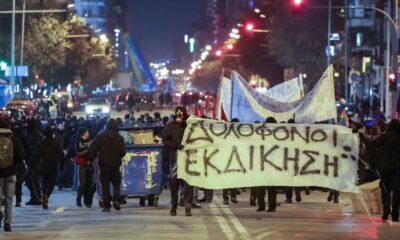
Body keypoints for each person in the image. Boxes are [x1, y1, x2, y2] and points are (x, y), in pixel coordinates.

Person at [359, 119, 400, 221]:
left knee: (385, 190)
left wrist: (360, 136)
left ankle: (386, 211)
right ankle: (395, 214)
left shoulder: (385, 136)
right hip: (398, 168)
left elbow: (370, 144)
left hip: (385, 168)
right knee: (397, 191)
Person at [89, 119, 126, 212]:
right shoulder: (120, 138)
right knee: (116, 184)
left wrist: (91, 158)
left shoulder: (100, 137)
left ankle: (107, 206)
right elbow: (123, 153)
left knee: (105, 186)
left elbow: (93, 149)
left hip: (104, 165)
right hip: (116, 166)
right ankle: (116, 200)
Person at [162, 106, 193, 216]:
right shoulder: (170, 126)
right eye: (178, 112)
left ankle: (188, 206)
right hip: (175, 158)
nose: (179, 114)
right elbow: (165, 140)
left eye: (182, 112)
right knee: (174, 183)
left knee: (189, 182)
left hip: (188, 158)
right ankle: (174, 205)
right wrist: (176, 146)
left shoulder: (189, 126)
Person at [0, 117, 25, 232]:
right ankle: (7, 224)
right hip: (10, 173)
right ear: (9, 127)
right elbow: (20, 157)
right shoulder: (15, 139)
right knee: (9, 198)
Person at [32, 126, 65, 209]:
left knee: (44, 181)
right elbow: (61, 155)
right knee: (52, 182)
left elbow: (36, 155)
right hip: (53, 165)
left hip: (43, 165)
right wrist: (61, 165)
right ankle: (46, 195)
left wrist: (33, 164)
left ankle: (44, 194)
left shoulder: (41, 143)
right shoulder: (56, 143)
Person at [256, 117, 278, 212]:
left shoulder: (276, 135)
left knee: (264, 187)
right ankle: (269, 206)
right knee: (270, 188)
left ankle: (263, 205)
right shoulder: (277, 134)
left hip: (268, 165)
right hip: (268, 165)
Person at [75, 127, 94, 208]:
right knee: (83, 183)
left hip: (89, 164)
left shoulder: (90, 140)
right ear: (84, 133)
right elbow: (78, 151)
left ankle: (87, 201)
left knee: (90, 184)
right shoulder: (78, 141)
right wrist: (88, 148)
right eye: (87, 132)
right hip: (81, 164)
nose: (88, 133)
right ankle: (78, 199)